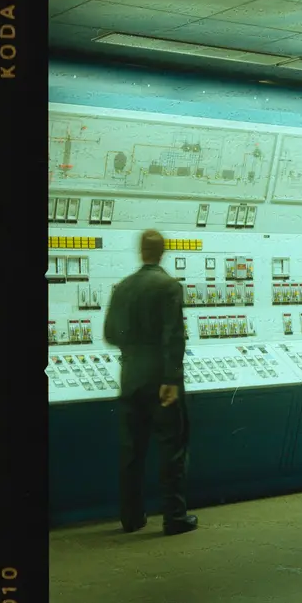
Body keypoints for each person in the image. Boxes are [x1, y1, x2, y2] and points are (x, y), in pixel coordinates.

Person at [103, 229, 198, 536]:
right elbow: (174, 335)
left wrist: (133, 350)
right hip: (161, 380)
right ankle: (174, 517)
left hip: (131, 377)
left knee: (131, 451)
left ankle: (131, 518)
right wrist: (171, 378)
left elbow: (109, 334)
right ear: (162, 252)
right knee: (172, 448)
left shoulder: (123, 287)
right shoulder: (169, 286)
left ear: (141, 251)